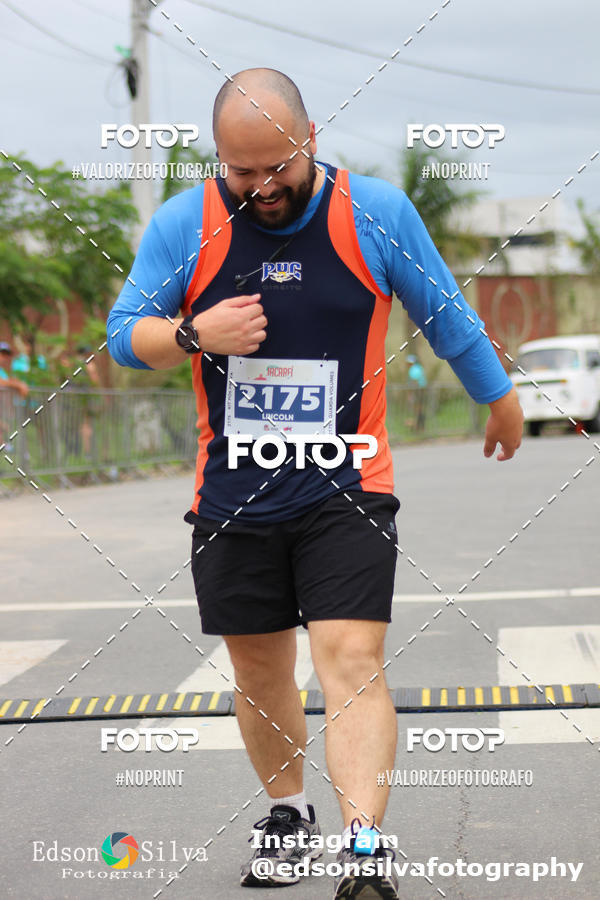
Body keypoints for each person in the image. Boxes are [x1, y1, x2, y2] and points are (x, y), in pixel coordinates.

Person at [107, 68, 523, 899]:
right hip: (232, 493)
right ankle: (289, 816)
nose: (262, 188)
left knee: (353, 658)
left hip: (347, 481)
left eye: (278, 168)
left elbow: (446, 314)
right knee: (260, 674)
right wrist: (195, 332)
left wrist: (501, 400)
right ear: (217, 158)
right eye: (241, 171)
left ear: (312, 143)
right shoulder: (184, 223)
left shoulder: (374, 213)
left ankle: (364, 847)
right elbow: (124, 338)